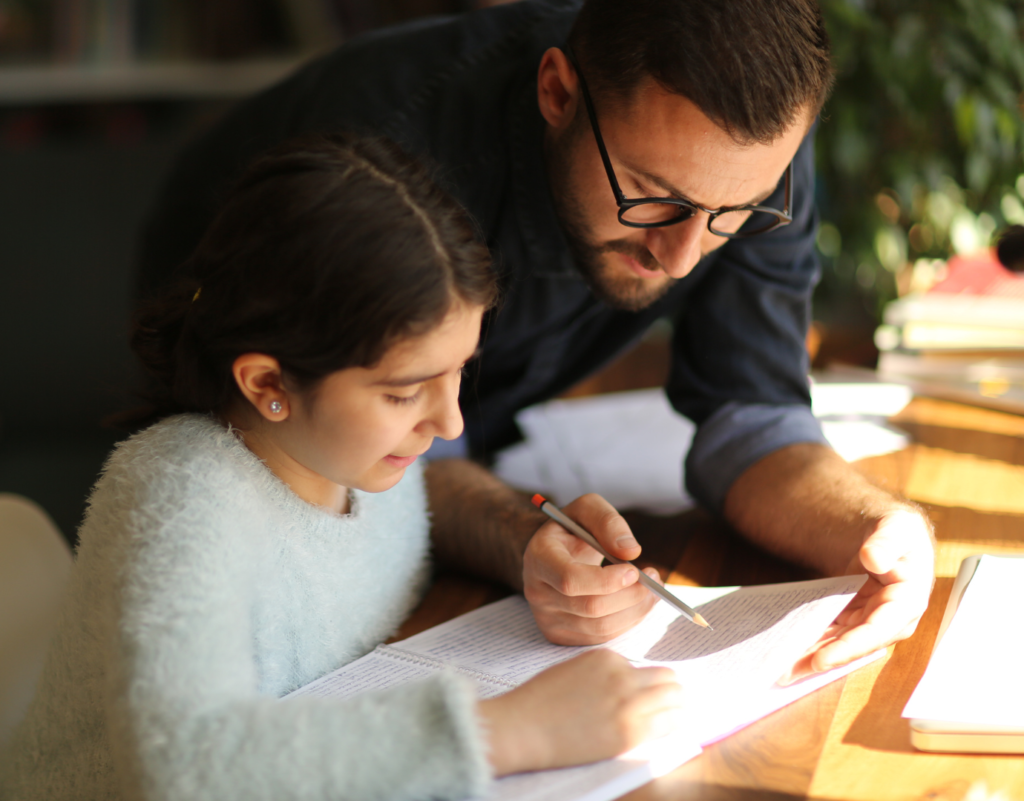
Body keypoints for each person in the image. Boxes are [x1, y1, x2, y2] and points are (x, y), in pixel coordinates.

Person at [135, 0, 935, 683]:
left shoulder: (749, 162)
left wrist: (870, 529)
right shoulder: (383, 171)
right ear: (557, 91)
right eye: (653, 198)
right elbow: (358, 452)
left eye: (735, 213)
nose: (684, 255)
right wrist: (522, 535)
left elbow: (752, 414)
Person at [0, 133, 687, 801]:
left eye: (459, 374)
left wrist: (532, 552)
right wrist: (516, 730)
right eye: (402, 391)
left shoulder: (351, 459)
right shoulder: (179, 492)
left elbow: (398, 528)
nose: (450, 423)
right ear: (268, 383)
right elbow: (185, 766)